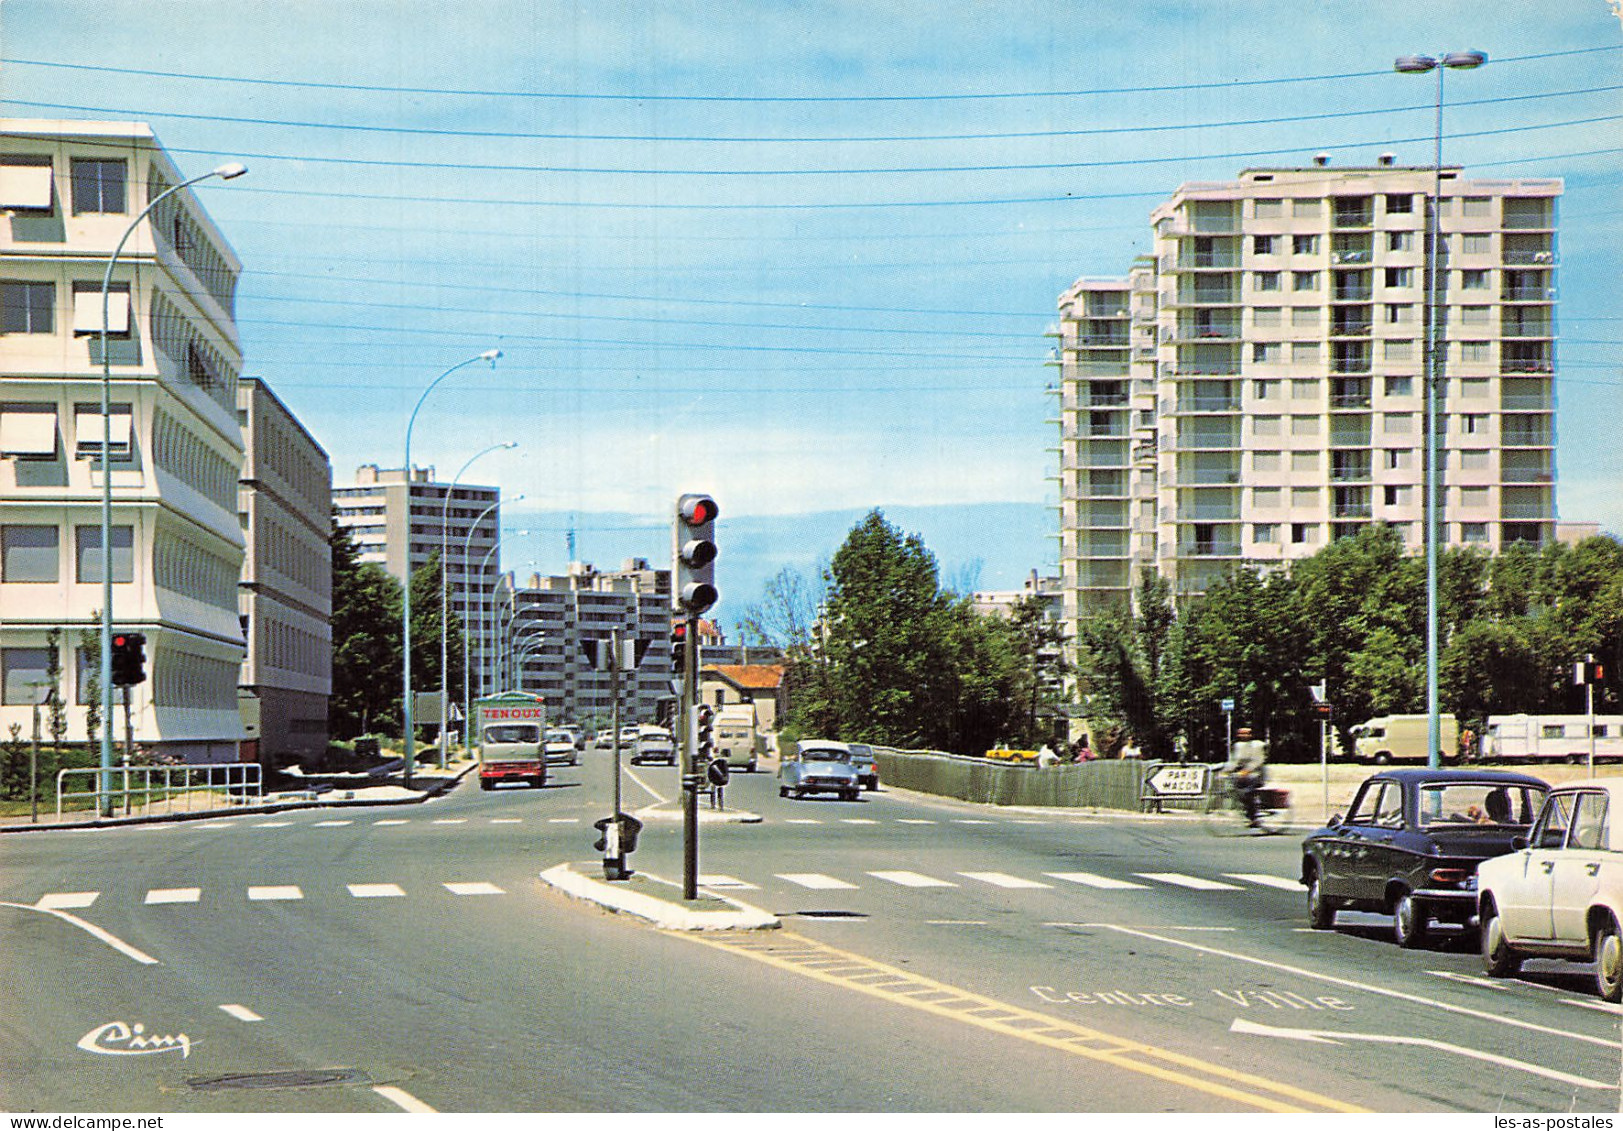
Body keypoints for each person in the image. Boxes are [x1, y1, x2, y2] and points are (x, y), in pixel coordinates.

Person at [1223, 726, 1269, 827]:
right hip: (1242, 775)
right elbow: (1235, 761)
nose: (1243, 736)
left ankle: (1254, 817)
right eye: (1241, 734)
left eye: (1246, 733)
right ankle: (1249, 812)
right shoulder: (1238, 746)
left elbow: (1258, 761)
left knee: (1247, 792)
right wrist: (1226, 770)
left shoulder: (1257, 745)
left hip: (1256, 774)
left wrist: (1247, 770)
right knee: (1235, 790)